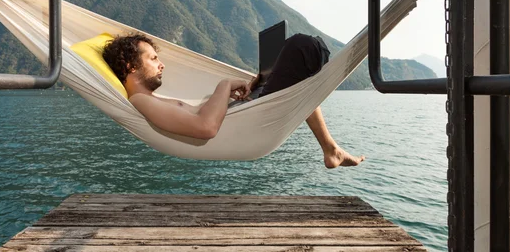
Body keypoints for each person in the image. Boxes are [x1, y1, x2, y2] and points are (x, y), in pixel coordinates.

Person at [102, 33, 365, 168]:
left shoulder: (153, 99)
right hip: (250, 125)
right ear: (131, 66)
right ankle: (331, 150)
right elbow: (205, 128)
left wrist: (231, 93)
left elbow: (202, 115)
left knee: (296, 69)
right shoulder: (140, 102)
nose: (161, 65)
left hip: (247, 114)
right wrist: (225, 84)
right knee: (304, 47)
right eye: (153, 59)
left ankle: (331, 149)